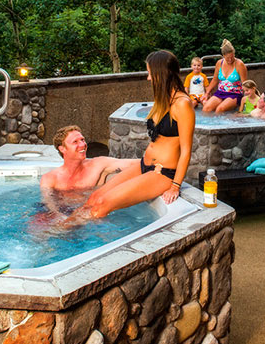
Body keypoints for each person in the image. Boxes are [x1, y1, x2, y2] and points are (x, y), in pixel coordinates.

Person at [83, 50, 195, 218]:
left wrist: (175, 186)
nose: (148, 78)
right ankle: (62, 229)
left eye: (150, 73)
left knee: (102, 204)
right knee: (94, 197)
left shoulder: (183, 104)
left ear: (161, 73)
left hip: (162, 173)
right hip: (145, 165)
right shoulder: (162, 100)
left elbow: (186, 150)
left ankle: (78, 240)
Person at [40, 125, 136, 191]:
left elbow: (132, 164)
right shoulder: (49, 179)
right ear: (62, 149)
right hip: (61, 213)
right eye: (75, 142)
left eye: (82, 140)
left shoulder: (98, 164)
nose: (82, 145)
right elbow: (50, 206)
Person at [202, 39, 248, 113]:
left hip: (235, 94)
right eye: (227, 58)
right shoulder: (219, 63)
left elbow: (245, 83)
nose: (230, 60)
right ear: (223, 56)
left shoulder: (239, 64)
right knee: (206, 108)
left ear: (234, 54)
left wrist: (247, 99)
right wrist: (207, 93)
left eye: (232, 57)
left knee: (219, 109)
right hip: (221, 92)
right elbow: (214, 80)